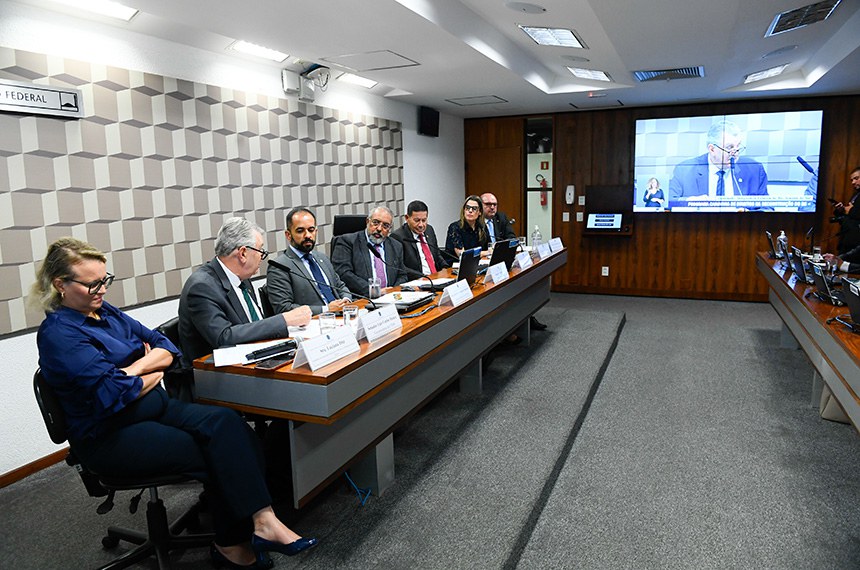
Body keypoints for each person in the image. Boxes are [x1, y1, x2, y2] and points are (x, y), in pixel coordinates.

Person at [31, 238, 317, 569]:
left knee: (232, 427)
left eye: (105, 280)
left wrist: (135, 370)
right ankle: (230, 545)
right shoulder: (59, 335)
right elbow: (114, 393)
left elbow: (166, 345)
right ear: (60, 285)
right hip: (109, 433)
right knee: (216, 452)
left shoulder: (103, 312)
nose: (102, 290)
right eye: (92, 283)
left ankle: (263, 522)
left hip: (156, 408)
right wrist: (148, 365)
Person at [178, 217, 311, 370]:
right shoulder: (201, 286)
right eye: (261, 250)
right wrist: (284, 319)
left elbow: (253, 325)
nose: (262, 256)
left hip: (253, 362)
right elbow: (224, 337)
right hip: (214, 375)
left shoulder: (243, 278)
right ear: (242, 253)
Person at [267, 208, 352, 315]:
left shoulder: (322, 257)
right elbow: (283, 307)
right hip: (314, 323)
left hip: (342, 316)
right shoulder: (279, 266)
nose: (307, 235)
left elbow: (340, 286)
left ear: (316, 231)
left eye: (311, 230)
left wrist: (346, 299)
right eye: (300, 231)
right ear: (288, 235)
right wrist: (326, 309)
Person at [669, 120, 768, 201]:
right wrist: (689, 202)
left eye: (738, 146)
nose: (736, 153)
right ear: (712, 149)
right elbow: (669, 201)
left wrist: (748, 216)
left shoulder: (754, 170)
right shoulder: (685, 170)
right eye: (729, 147)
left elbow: (767, 209)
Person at [331, 206, 408, 295]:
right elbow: (343, 273)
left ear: (389, 229)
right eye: (375, 223)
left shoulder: (396, 246)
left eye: (385, 226)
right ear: (367, 222)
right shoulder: (347, 242)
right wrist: (374, 291)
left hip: (391, 298)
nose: (379, 229)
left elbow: (402, 275)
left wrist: (393, 291)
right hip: (362, 298)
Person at [390, 200, 450, 275]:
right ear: (407, 218)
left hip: (436, 278)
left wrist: (445, 268)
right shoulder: (398, 237)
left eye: (424, 220)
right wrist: (424, 277)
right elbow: (401, 268)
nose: (421, 225)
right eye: (417, 220)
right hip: (417, 281)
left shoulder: (429, 230)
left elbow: (437, 255)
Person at [831, 166, 860, 254]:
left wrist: (850, 210)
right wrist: (841, 210)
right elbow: (849, 214)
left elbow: (856, 213)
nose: (853, 182)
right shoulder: (856, 195)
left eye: (856, 178)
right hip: (846, 241)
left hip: (856, 245)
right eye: (851, 180)